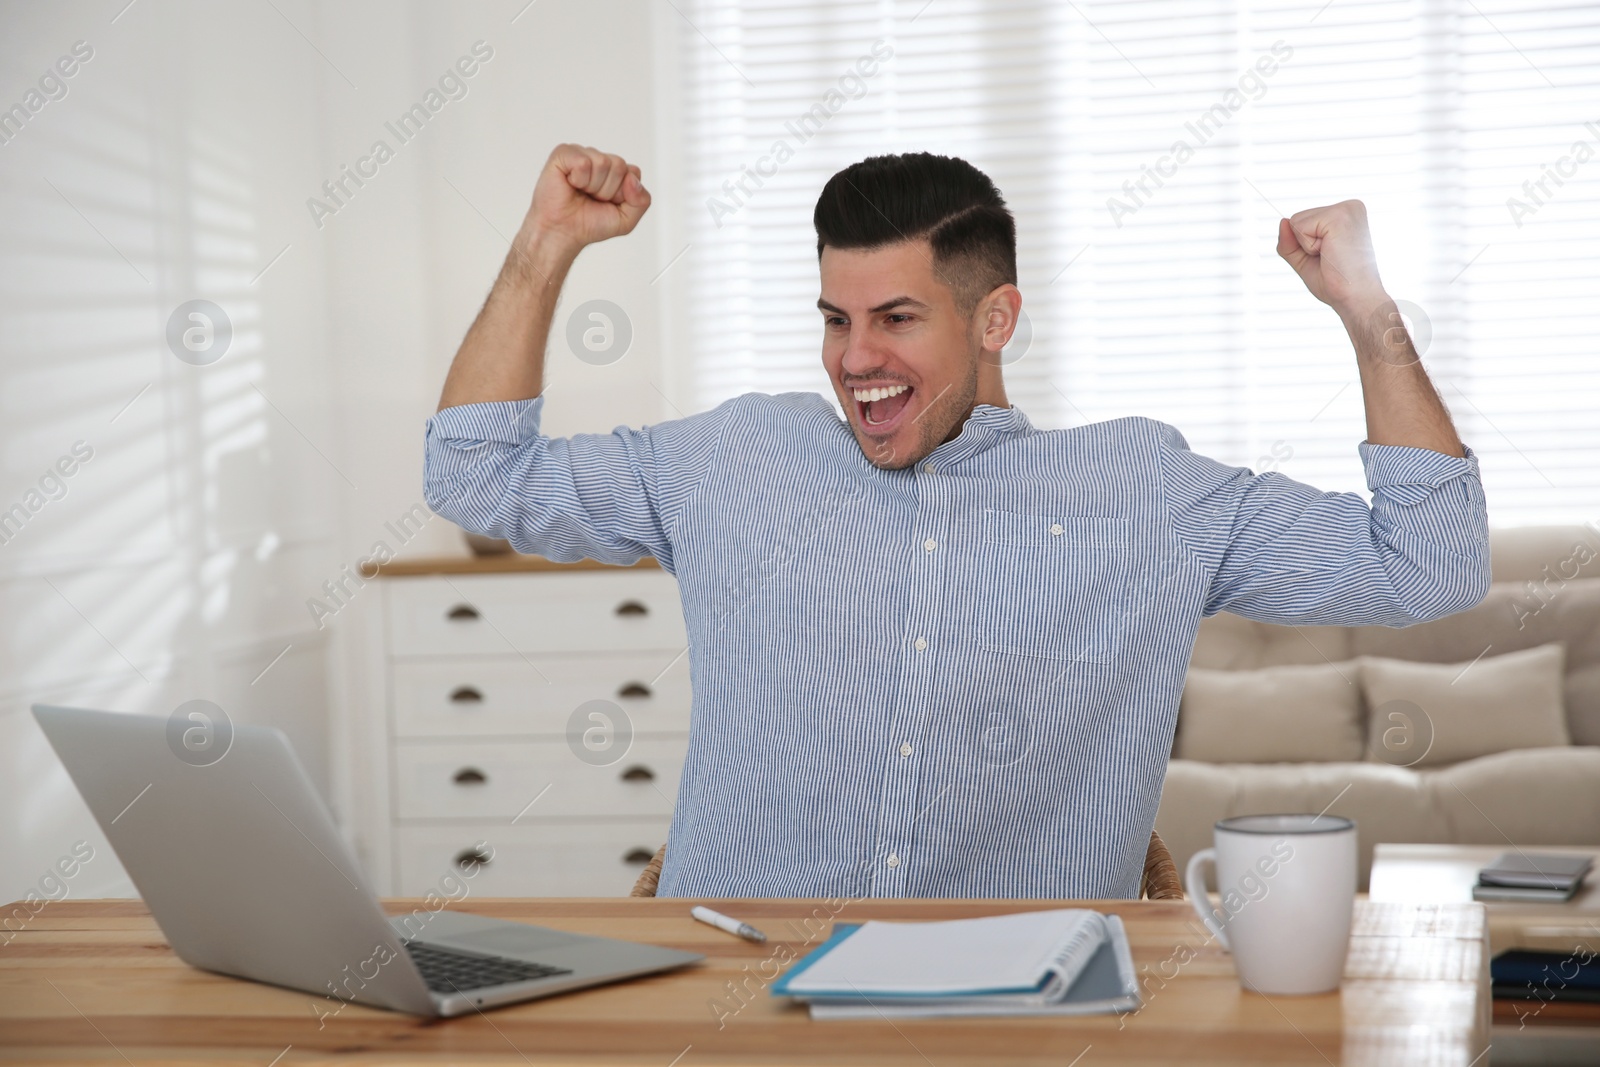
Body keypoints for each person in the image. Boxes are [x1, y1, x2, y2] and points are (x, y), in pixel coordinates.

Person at [425, 144, 1488, 899]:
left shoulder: (1140, 491)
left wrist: (1367, 310)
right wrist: (546, 243)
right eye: (836, 320)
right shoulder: (734, 459)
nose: (853, 357)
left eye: (895, 319)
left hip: (1030, 1006)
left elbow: (1428, 567)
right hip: (738, 992)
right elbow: (475, 477)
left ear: (995, 319)